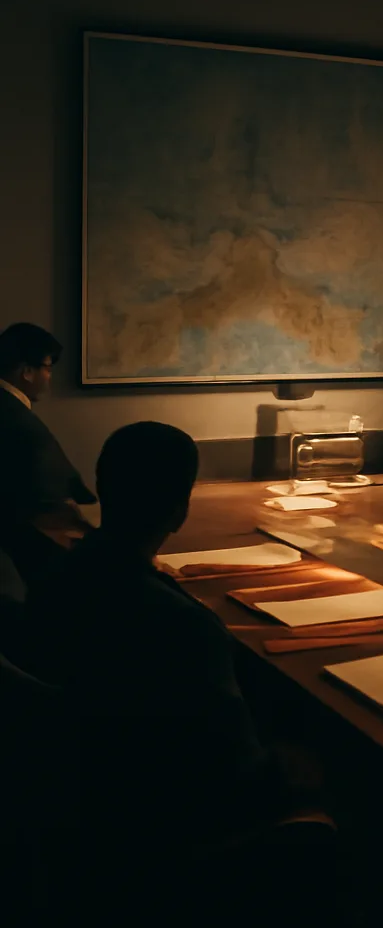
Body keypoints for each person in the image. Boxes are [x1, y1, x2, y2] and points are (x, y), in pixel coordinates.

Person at [26, 422, 310, 852]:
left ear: (101, 488)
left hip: (88, 806)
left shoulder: (60, 575)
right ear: (181, 510)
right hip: (175, 828)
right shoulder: (181, 626)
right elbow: (237, 772)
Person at [0, 323, 96, 588]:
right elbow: (51, 499)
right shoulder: (20, 424)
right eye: (48, 368)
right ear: (27, 371)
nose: (49, 377)